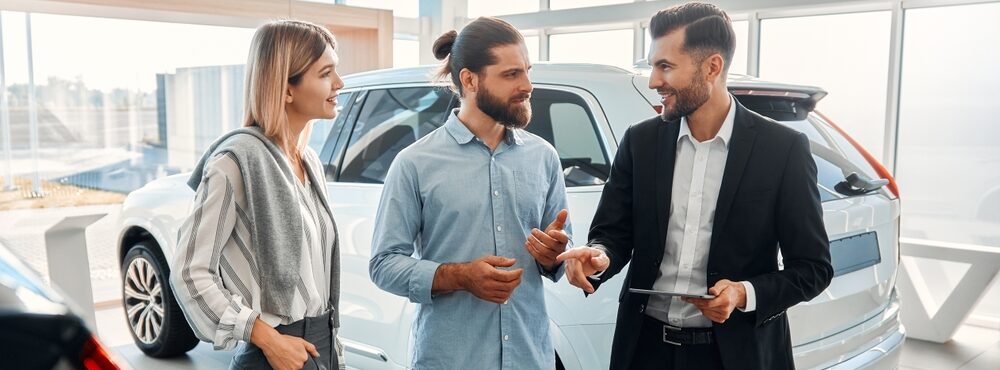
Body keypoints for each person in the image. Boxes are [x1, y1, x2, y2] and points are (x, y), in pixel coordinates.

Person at [556, 3, 834, 369]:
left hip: (734, 355)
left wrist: (743, 293)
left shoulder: (782, 150)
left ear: (712, 67)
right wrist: (598, 256)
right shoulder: (640, 142)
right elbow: (613, 234)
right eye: (653, 66)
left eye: (665, 66)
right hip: (644, 350)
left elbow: (813, 268)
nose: (654, 81)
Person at [368, 16, 572, 370]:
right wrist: (460, 276)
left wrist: (555, 253)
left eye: (527, 71)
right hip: (450, 359)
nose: (527, 85)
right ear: (470, 80)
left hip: (530, 357)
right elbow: (384, 264)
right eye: (511, 74)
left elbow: (558, 254)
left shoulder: (544, 157)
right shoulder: (415, 163)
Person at [170, 19, 347, 370]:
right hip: (274, 354)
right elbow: (189, 271)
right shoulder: (234, 163)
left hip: (322, 346)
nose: (339, 84)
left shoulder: (308, 162)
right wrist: (266, 338)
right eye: (326, 73)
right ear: (286, 89)